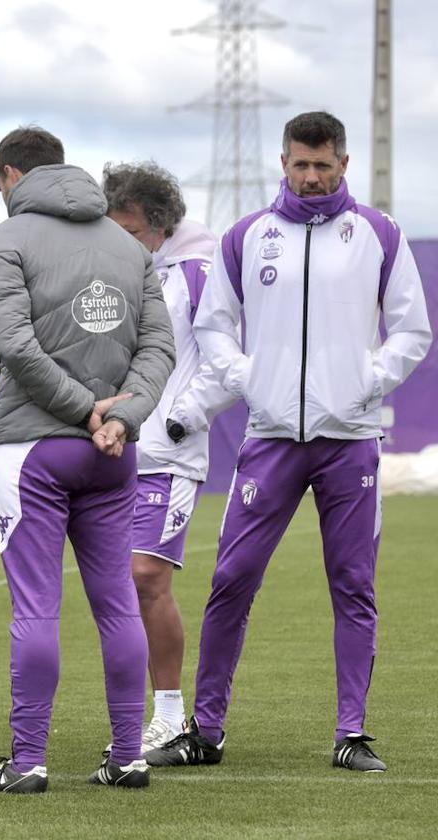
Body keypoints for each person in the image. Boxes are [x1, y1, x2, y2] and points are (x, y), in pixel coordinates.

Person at [147, 111, 431, 773]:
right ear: (284, 162)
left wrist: (369, 380)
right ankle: (206, 732)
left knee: (353, 586)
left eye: (322, 165)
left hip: (351, 439)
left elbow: (412, 331)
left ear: (343, 164)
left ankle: (351, 733)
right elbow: (215, 327)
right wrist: (251, 378)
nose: (311, 176)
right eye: (300, 164)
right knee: (231, 582)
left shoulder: (378, 234)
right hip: (271, 436)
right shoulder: (249, 235)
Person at [0, 127, 175, 794]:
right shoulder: (127, 244)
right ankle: (128, 753)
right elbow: (159, 348)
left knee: (35, 609)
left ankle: (28, 760)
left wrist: (83, 408)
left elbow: (11, 343)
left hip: (33, 448)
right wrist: (120, 416)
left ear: (9, 177)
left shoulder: (2, 240)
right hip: (111, 455)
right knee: (116, 606)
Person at [102, 161, 234, 753]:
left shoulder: (201, 274)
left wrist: (183, 419)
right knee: (117, 588)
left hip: (168, 453)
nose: (119, 241)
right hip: (111, 449)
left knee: (146, 576)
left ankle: (172, 714)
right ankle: (135, 719)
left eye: (129, 232)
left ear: (159, 225)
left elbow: (228, 363)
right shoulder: (110, 272)